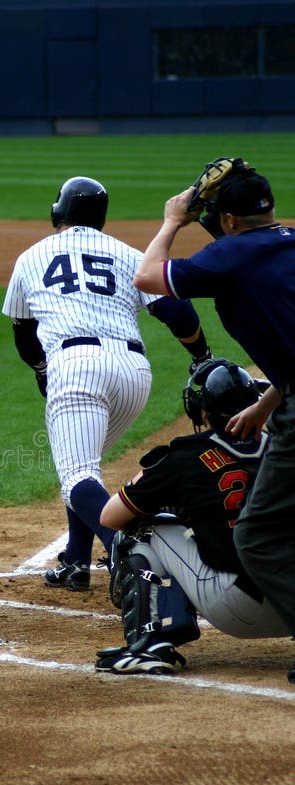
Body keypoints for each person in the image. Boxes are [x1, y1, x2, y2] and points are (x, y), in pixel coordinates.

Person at [2, 176, 212, 592]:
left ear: (58, 211)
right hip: (135, 374)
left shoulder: (31, 257)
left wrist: (43, 371)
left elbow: (24, 335)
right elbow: (178, 313)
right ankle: (76, 563)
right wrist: (201, 356)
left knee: (77, 474)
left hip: (76, 365)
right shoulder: (129, 254)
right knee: (82, 467)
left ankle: (130, 556)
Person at [133, 158, 295, 683]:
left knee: (259, 537)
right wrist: (268, 403)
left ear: (226, 219)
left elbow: (148, 277)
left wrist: (172, 222)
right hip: (287, 398)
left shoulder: (231, 254)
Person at [95, 358, 290, 675]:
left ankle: (150, 643)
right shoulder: (285, 449)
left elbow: (110, 515)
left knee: (144, 526)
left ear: (204, 411)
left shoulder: (185, 456)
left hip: (239, 609)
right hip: (290, 600)